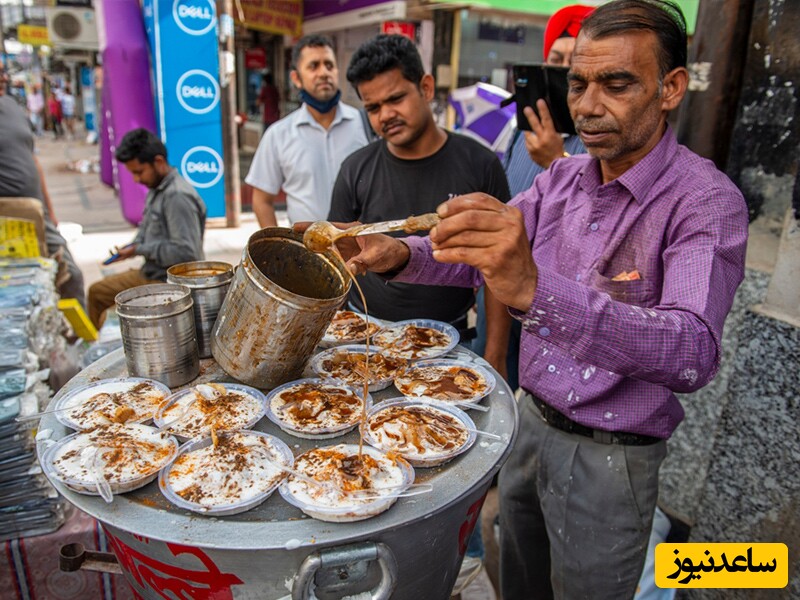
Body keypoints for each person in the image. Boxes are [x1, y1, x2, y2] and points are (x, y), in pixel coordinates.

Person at [317, 2, 749, 598]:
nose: (589, 105)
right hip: (528, 422)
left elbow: (692, 350)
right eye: (578, 83)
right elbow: (483, 251)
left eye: (617, 83)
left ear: (670, 87)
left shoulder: (704, 200)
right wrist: (403, 254)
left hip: (611, 455)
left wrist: (534, 291)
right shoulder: (562, 179)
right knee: (512, 572)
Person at [328, 33, 510, 331]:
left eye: (396, 98)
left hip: (452, 339)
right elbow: (337, 261)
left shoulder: (481, 164)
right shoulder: (355, 168)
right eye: (373, 108)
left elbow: (498, 266)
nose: (386, 114)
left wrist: (495, 354)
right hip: (366, 335)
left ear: (425, 87)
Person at [475, 5, 595, 392]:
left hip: (553, 299)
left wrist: (557, 160)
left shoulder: (598, 138)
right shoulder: (522, 132)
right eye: (556, 61)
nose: (564, 73)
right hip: (498, 290)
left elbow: (600, 217)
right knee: (488, 380)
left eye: (575, 63)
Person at [245, 35, 370, 228]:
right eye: (314, 66)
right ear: (296, 78)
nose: (324, 73)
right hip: (307, 253)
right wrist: (278, 248)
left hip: (363, 250)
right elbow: (262, 200)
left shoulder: (365, 125)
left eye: (329, 65)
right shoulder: (279, 135)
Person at [87, 128, 206, 328]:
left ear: (158, 162)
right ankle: (93, 352)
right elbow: (147, 232)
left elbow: (187, 253)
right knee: (96, 292)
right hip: (150, 272)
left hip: (167, 284)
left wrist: (140, 249)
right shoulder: (156, 189)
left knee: (109, 321)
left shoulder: (177, 197)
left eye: (139, 172)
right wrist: (133, 246)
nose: (136, 179)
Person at [0, 64, 85, 306]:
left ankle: (79, 338)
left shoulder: (11, 106)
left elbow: (32, 159)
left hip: (37, 212)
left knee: (70, 276)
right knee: (23, 289)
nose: (4, 77)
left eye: (4, 71)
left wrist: (49, 209)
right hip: (7, 216)